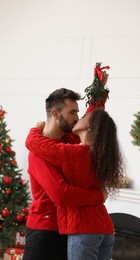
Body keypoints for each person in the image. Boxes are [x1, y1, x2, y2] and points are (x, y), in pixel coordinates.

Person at [23, 72, 109, 260]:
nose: (77, 117)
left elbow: (90, 123)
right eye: (72, 112)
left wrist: (99, 92)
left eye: (77, 112)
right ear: (55, 113)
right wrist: (98, 196)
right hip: (44, 230)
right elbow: (61, 194)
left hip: (67, 228)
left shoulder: (69, 140)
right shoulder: (38, 153)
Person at [25, 108, 124, 260]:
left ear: (89, 127)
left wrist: (35, 130)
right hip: (105, 228)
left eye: (82, 116)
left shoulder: (73, 154)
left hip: (84, 229)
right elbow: (98, 117)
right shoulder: (102, 154)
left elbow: (33, 143)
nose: (78, 118)